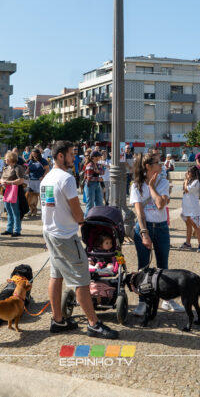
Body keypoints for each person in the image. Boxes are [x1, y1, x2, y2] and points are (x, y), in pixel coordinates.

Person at [41, 140, 119, 339]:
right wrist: (83, 221)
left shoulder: (47, 178)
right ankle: (94, 324)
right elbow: (77, 211)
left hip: (50, 232)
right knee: (82, 280)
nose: (74, 158)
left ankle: (58, 320)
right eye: (71, 154)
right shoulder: (66, 179)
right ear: (61, 156)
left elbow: (50, 206)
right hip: (65, 236)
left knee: (56, 275)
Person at [129, 151, 183, 314]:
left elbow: (160, 205)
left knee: (163, 266)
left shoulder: (163, 182)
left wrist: (151, 187)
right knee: (143, 267)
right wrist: (144, 233)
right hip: (144, 227)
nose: (161, 165)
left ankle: (166, 300)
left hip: (161, 227)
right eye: (158, 163)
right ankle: (143, 301)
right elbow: (139, 212)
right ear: (148, 166)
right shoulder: (136, 185)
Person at [179, 165, 200, 252]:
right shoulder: (190, 181)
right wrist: (186, 180)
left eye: (189, 172)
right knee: (188, 225)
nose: (187, 173)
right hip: (187, 207)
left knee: (196, 225)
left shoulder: (196, 182)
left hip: (193, 208)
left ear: (193, 173)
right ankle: (188, 242)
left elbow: (187, 189)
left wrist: (186, 180)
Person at [0, 151, 26, 237]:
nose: (5, 159)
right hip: (6, 191)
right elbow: (1, 178)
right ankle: (9, 229)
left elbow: (21, 180)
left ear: (11, 158)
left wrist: (9, 182)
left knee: (15, 211)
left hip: (15, 191)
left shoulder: (18, 168)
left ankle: (17, 230)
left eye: (6, 157)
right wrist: (2, 182)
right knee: (8, 211)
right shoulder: (6, 167)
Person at [26, 149, 49, 217]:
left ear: (38, 154)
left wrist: (43, 176)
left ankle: (43, 210)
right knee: (32, 197)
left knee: (41, 196)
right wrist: (24, 175)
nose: (34, 155)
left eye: (35, 154)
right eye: (32, 154)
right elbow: (28, 170)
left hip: (40, 180)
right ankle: (33, 210)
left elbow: (47, 170)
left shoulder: (43, 161)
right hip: (31, 180)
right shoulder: (30, 161)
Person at [83, 150, 104, 214]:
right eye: (99, 156)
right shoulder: (90, 165)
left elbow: (103, 172)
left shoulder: (97, 164)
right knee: (90, 205)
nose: (100, 157)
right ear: (94, 157)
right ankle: (86, 220)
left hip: (96, 185)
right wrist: (98, 179)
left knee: (99, 203)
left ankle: (96, 218)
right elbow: (89, 178)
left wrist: (98, 171)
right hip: (90, 185)